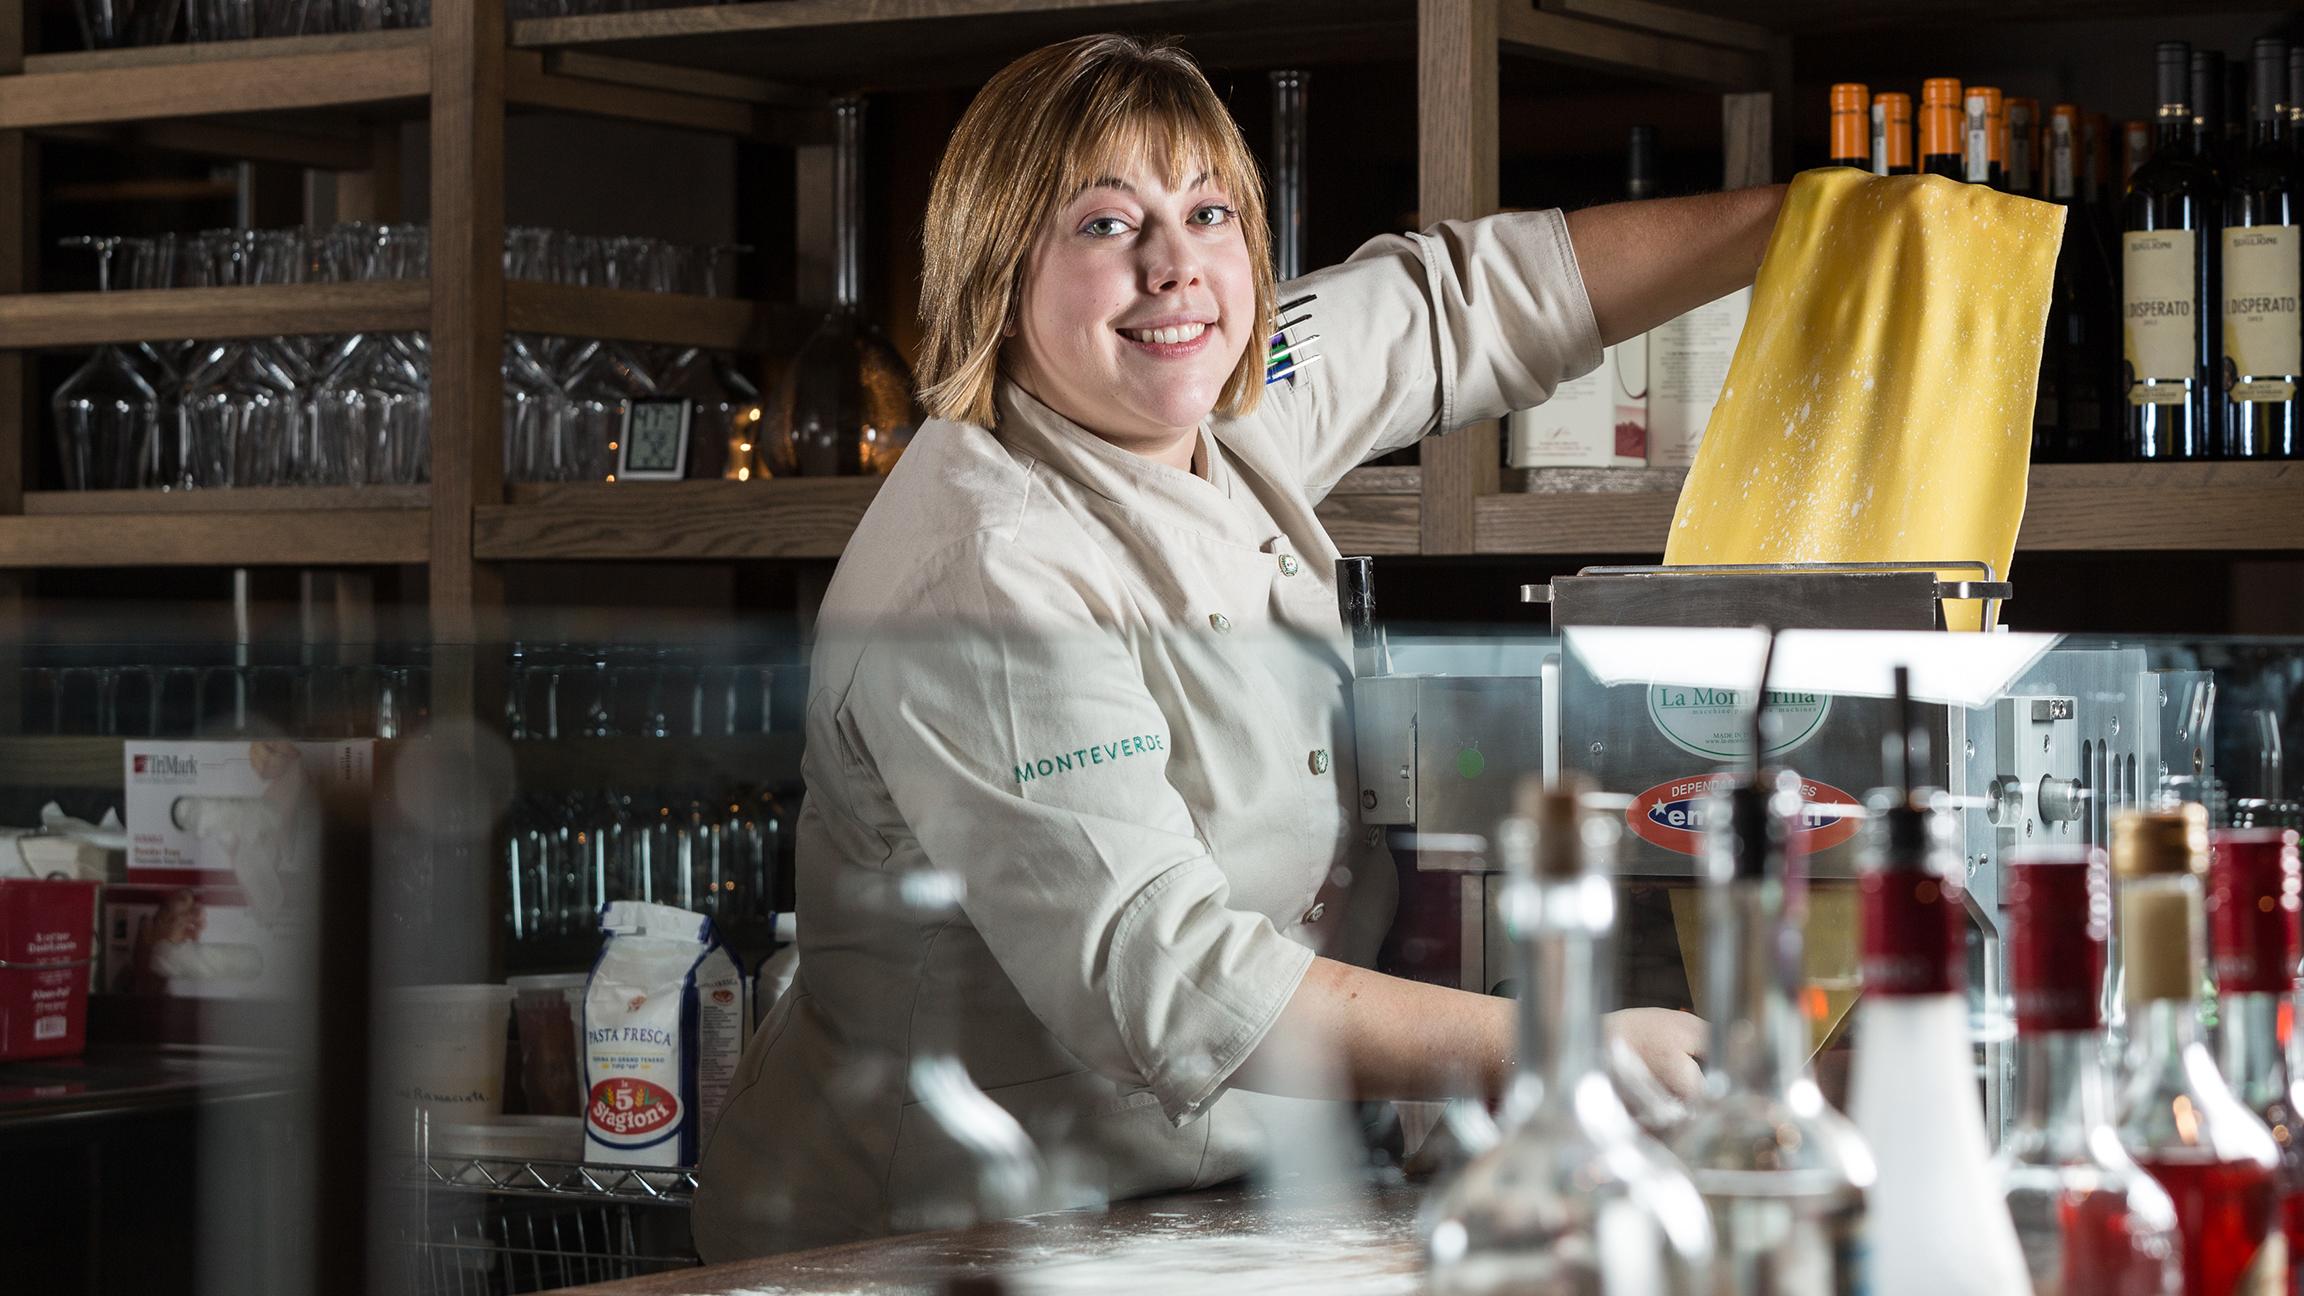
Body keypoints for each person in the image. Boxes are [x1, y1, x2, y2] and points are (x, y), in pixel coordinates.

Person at [694, 33, 1785, 1258]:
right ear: (996, 269)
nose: (1175, 268)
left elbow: (1459, 305)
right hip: (938, 1236)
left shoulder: (1230, 392)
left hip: (1199, 1208)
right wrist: (1561, 1047)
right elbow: (1163, 977)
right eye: (1106, 226)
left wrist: (1811, 221)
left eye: (1209, 212)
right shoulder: (988, 568)